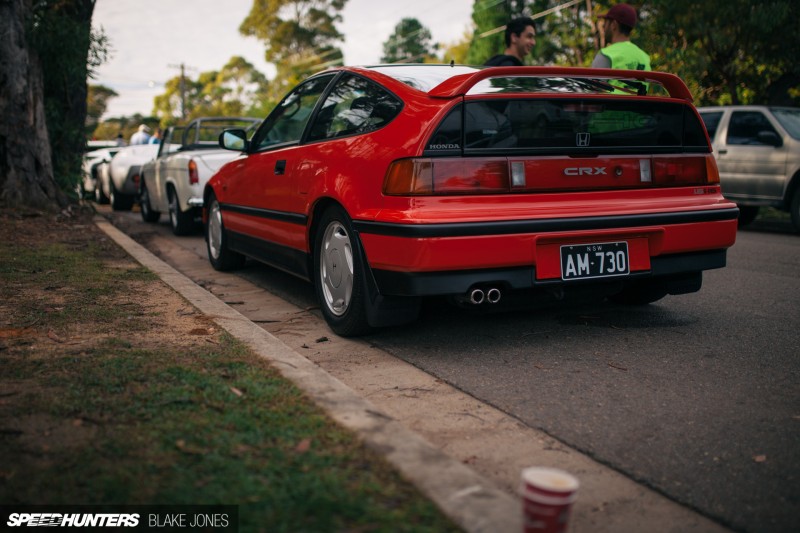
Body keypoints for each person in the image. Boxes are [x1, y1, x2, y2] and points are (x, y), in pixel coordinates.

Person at [591, 3, 650, 72]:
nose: (603, 26)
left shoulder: (606, 55)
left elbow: (592, 78)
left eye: (606, 22)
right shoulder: (644, 57)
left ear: (613, 25)